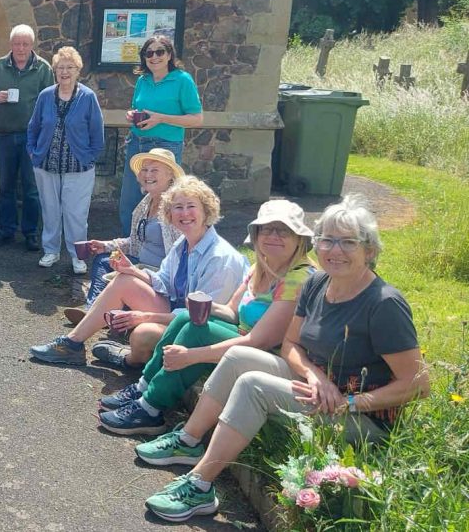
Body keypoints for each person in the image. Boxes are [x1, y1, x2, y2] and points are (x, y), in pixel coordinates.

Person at [138, 195, 429, 523]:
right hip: (317, 387)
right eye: (328, 240)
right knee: (237, 356)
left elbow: (418, 384)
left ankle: (200, 484)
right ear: (316, 244)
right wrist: (314, 375)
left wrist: (350, 401)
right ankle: (189, 441)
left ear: (370, 250)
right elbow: (291, 343)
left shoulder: (383, 304)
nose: (335, 250)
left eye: (348, 242)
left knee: (253, 385)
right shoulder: (318, 282)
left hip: (361, 417)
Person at [98, 199, 315, 435]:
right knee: (184, 318)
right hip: (247, 339)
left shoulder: (298, 279)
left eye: (283, 230)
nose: (274, 235)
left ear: (299, 238)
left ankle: (151, 409)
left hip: (273, 356)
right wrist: (202, 305)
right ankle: (144, 387)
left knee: (198, 331)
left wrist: (191, 356)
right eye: (267, 229)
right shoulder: (260, 267)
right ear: (257, 234)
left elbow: (260, 341)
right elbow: (232, 313)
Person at [29, 176, 246, 367]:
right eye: (177, 207)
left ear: (207, 211)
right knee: (125, 279)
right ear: (169, 215)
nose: (184, 213)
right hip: (178, 310)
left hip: (203, 331)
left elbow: (202, 319)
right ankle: (72, 345)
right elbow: (163, 281)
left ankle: (126, 359)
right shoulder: (183, 243)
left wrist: (144, 316)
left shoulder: (220, 258)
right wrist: (132, 270)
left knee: (142, 334)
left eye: (191, 206)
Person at [63, 147, 183, 326]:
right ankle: (92, 310)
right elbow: (134, 242)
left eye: (154, 170)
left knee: (116, 270)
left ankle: (104, 313)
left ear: (170, 175)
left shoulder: (176, 207)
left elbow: (182, 254)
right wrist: (105, 245)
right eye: (145, 169)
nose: (148, 175)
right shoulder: (146, 203)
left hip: (158, 275)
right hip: (139, 263)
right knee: (104, 260)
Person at [27, 46, 105, 275]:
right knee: (50, 210)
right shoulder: (45, 96)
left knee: (76, 214)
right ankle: (50, 250)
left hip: (78, 167)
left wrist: (90, 157)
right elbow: (34, 127)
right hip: (46, 165)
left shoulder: (87, 97)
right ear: (54, 70)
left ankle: (77, 255)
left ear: (77, 70)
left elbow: (97, 132)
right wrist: (33, 152)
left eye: (69, 67)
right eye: (60, 67)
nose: (64, 72)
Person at [0, 25, 53, 251]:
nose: (21, 48)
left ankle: (30, 233)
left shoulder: (43, 69)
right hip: (5, 135)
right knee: (6, 186)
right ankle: (6, 230)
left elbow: (50, 103)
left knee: (31, 188)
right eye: (17, 44)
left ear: (32, 45)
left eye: (25, 44)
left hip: (33, 138)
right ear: (11, 45)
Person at [119, 35, 202, 236]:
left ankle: (164, 249)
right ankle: (130, 245)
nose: (154, 57)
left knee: (164, 201)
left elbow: (196, 118)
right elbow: (138, 108)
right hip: (137, 144)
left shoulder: (182, 80)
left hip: (166, 147)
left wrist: (161, 118)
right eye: (149, 53)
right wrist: (132, 114)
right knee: (130, 199)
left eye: (159, 52)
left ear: (169, 55)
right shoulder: (143, 80)